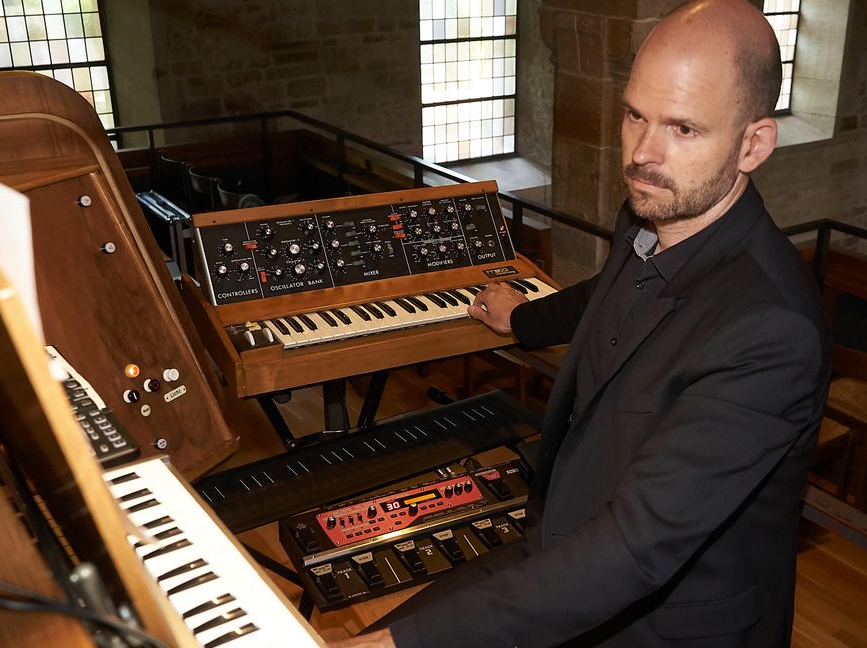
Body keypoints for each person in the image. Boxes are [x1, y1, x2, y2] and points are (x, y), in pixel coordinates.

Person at [331, 0, 828, 645]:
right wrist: (524, 320)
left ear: (753, 144)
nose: (643, 155)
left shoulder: (770, 331)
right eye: (634, 116)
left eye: (684, 130)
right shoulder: (652, 217)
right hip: (560, 547)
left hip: (661, 618)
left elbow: (635, 547)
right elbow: (611, 294)